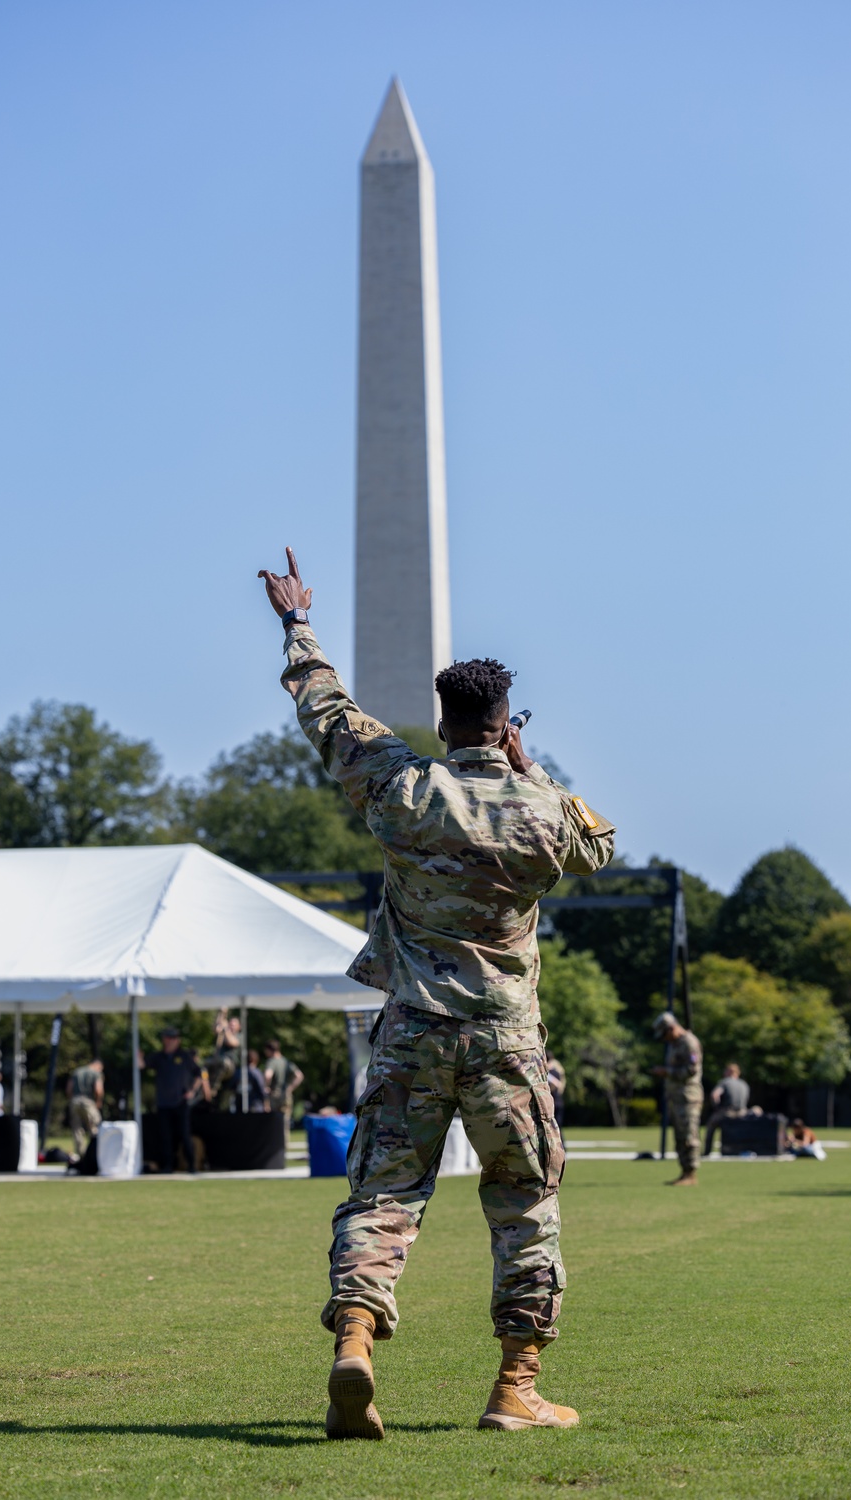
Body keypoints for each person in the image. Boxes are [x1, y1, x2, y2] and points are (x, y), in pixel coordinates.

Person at [259, 548, 615, 1440]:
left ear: (444, 720)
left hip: (412, 1033)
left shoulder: (403, 789)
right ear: (504, 723)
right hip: (506, 1043)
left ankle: (356, 1340)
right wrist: (526, 771)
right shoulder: (541, 811)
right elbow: (598, 847)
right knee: (525, 1209)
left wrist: (299, 624)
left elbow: (329, 714)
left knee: (382, 1197)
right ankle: (515, 1388)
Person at [139, 1026, 202, 1173]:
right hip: (163, 1103)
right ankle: (167, 1166)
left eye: (171, 1039)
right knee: (165, 1137)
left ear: (176, 1040)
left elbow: (199, 1073)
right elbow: (142, 1065)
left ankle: (191, 1165)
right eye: (166, 1038)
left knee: (184, 1134)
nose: (168, 1042)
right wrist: (138, 1057)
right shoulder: (159, 1057)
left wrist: (192, 1091)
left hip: (181, 1103)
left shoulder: (184, 1056)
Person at [651, 1011, 704, 1186]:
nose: (665, 1039)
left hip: (689, 1097)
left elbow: (691, 1071)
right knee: (680, 1136)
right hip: (677, 1097)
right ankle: (684, 1172)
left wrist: (667, 1072)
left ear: (672, 1028)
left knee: (689, 1135)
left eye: (665, 1034)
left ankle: (691, 1173)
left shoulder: (689, 1043)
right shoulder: (675, 1044)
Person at [703, 1062, 750, 1157]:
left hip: (728, 1112)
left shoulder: (724, 1082)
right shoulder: (744, 1084)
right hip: (743, 1113)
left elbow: (714, 1095)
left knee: (710, 1126)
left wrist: (716, 1107)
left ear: (728, 1072)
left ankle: (707, 1151)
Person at [263, 1039, 304, 1132]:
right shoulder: (286, 1062)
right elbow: (299, 1075)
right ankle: (284, 1145)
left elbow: (268, 1075)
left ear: (269, 1050)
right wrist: (290, 1088)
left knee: (273, 1122)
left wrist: (266, 1086)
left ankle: (275, 1145)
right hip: (286, 1094)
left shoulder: (271, 1061)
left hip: (275, 1095)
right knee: (285, 1123)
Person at [67, 1058, 104, 1158]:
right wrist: (98, 1102)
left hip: (75, 1101)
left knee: (77, 1130)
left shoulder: (77, 1071)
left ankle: (81, 1155)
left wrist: (72, 1099)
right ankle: (94, 1153)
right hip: (88, 1101)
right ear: (98, 1066)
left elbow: (69, 1088)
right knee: (95, 1127)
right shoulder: (95, 1073)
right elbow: (98, 1090)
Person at [546, 1051, 567, 1145]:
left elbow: (556, 1084)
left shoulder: (549, 1073)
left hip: (553, 1103)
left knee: (554, 1128)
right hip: (558, 1102)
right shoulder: (557, 1071)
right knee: (558, 1128)